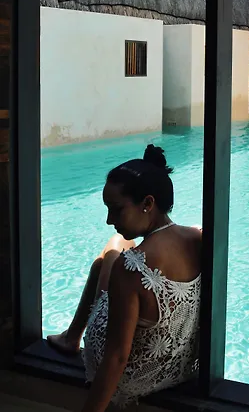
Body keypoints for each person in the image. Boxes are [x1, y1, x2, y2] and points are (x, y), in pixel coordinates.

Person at [47, 144, 202, 412]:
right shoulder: (198, 238)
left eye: (116, 209)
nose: (109, 219)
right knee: (116, 248)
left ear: (148, 204)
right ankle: (70, 336)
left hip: (133, 377)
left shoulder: (131, 267)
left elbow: (117, 357)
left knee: (112, 250)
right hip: (177, 369)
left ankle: (71, 337)